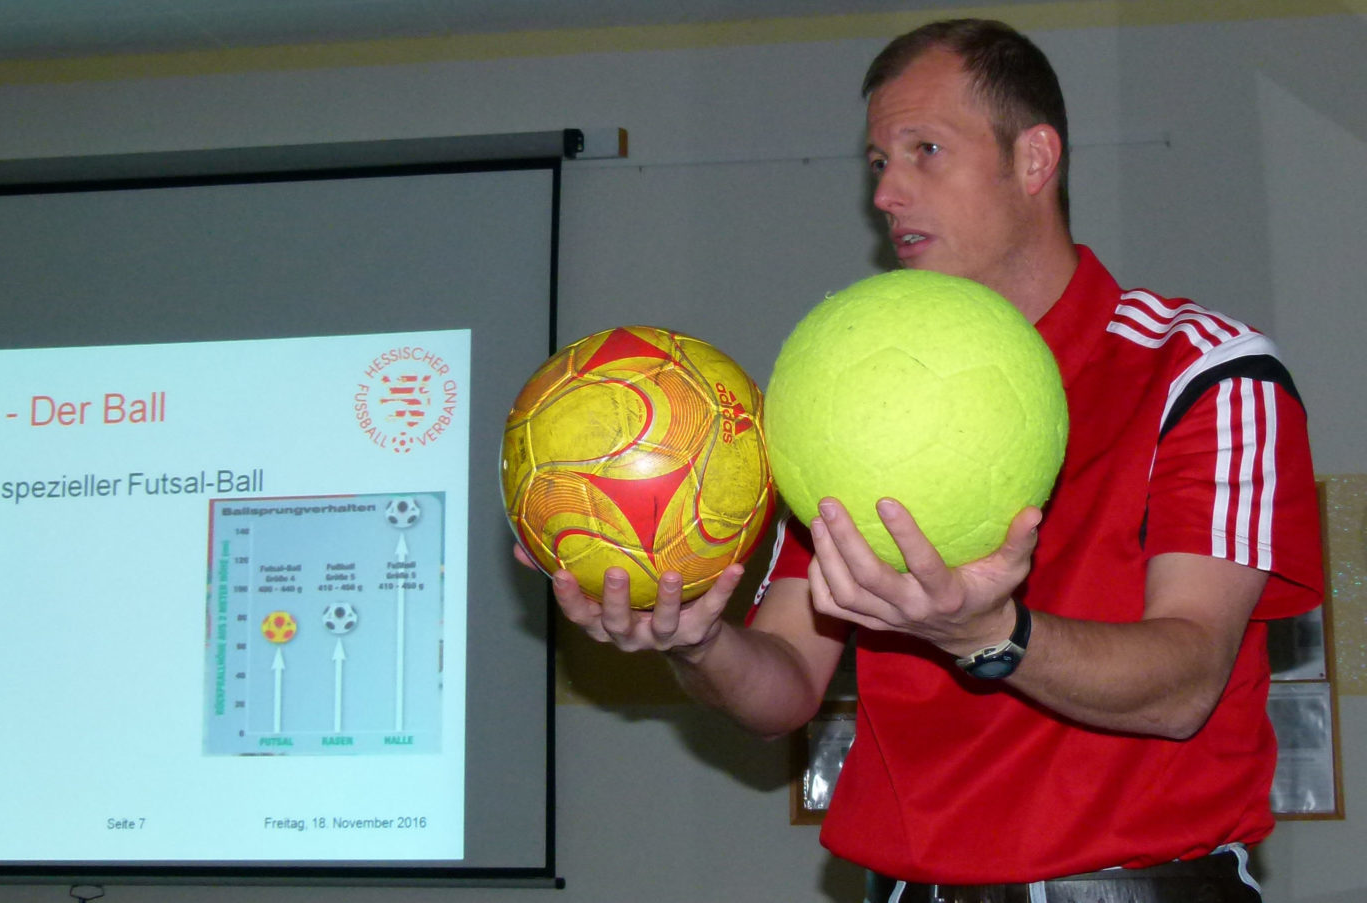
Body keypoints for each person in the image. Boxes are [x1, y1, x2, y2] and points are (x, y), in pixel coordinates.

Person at [523, 18, 1325, 903]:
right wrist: (699, 641)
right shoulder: (839, 397)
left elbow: (1184, 682)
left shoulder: (1200, 370)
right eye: (877, 163)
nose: (887, 194)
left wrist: (989, 633)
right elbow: (784, 686)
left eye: (925, 150)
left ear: (1034, 159)